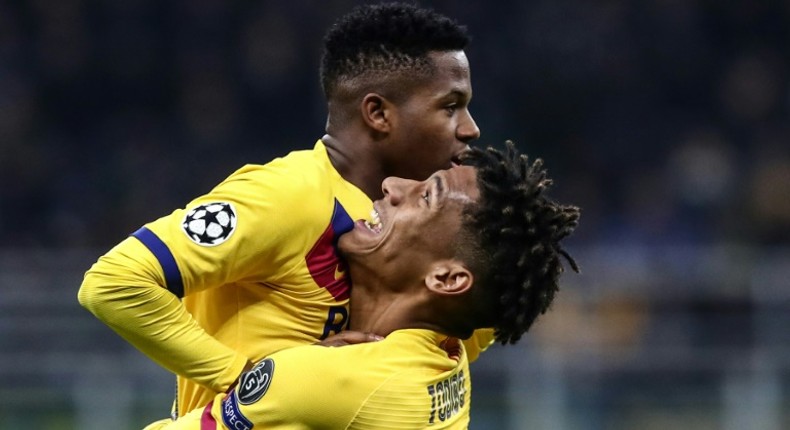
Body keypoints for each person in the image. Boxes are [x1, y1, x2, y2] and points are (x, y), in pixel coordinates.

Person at [77, 2, 490, 420]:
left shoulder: (411, 224)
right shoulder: (286, 197)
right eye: (450, 105)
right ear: (379, 113)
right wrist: (249, 380)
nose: (470, 127)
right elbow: (114, 283)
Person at [146, 142, 581, 429]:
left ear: (446, 278)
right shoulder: (453, 354)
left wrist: (250, 378)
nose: (393, 186)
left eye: (426, 197)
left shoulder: (327, 380)